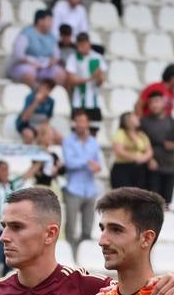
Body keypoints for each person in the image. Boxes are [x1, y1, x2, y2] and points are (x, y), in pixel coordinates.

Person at [0, 159, 36, 274]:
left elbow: (27, 175)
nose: (5, 172)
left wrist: (39, 160)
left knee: (9, 262)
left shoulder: (12, 185)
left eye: (7, 169)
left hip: (10, 230)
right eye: (2, 169)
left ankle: (7, 290)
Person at [62, 109, 104, 246]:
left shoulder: (93, 142)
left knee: (87, 228)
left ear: (88, 123)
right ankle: (70, 258)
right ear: (74, 123)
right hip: (74, 188)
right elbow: (69, 163)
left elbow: (98, 163)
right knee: (71, 227)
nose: (80, 124)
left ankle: (83, 257)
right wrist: (87, 161)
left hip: (90, 189)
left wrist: (95, 166)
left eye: (83, 121)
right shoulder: (68, 141)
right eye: (78, 121)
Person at [140, 92, 174, 205]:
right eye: (151, 102)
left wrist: (171, 145)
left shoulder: (173, 122)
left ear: (164, 102)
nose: (154, 105)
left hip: (169, 167)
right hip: (152, 168)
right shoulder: (144, 122)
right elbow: (141, 144)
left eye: (157, 101)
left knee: (167, 202)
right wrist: (149, 159)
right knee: (152, 202)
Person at [8, 10, 67, 89]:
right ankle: (37, 95)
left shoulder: (51, 36)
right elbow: (18, 54)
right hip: (26, 65)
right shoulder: (26, 33)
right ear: (40, 21)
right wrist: (32, 63)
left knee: (61, 74)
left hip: (45, 66)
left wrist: (53, 61)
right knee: (29, 73)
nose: (51, 23)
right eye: (49, 20)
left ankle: (49, 96)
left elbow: (56, 55)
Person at [65, 33, 106, 124]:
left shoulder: (97, 58)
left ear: (89, 43)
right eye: (80, 45)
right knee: (77, 127)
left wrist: (99, 77)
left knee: (94, 129)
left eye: (84, 45)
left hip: (94, 100)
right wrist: (91, 78)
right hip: (78, 100)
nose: (81, 48)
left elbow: (101, 81)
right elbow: (71, 80)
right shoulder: (73, 58)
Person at [110, 112, 152, 190]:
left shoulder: (141, 134)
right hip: (123, 168)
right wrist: (135, 157)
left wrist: (143, 158)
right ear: (127, 120)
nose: (138, 119)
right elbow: (119, 151)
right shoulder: (121, 133)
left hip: (139, 169)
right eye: (135, 117)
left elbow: (149, 150)